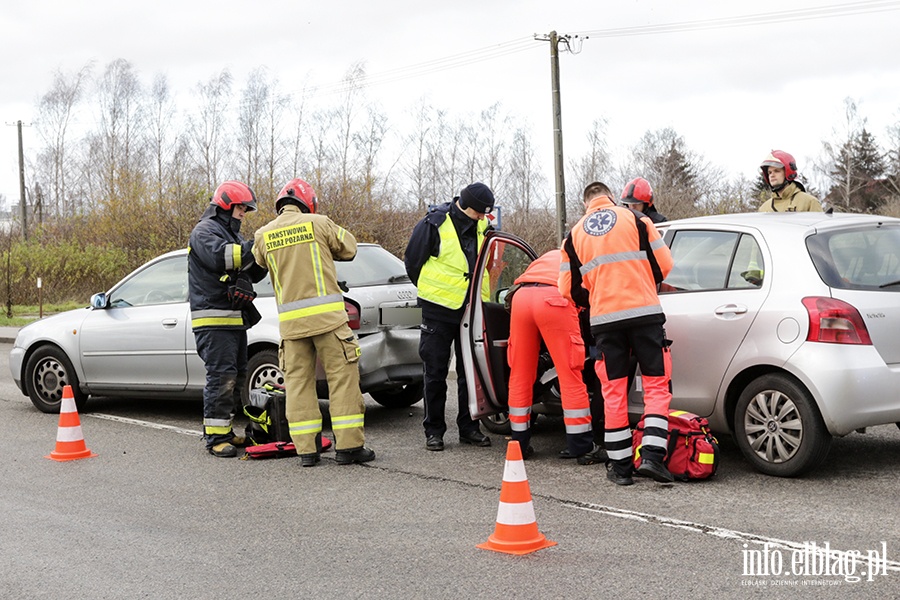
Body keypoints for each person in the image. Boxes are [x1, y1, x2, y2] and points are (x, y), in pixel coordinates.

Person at [252, 178, 375, 467]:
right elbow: (349, 248)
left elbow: (259, 263)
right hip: (329, 322)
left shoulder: (263, 234)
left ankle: (307, 451)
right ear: (308, 203)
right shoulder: (319, 223)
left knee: (297, 384)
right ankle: (349, 448)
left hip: (292, 329)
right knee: (342, 380)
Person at [559, 181, 675, 486]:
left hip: (605, 320)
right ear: (611, 197)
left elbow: (567, 290)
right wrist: (643, 285)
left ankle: (621, 468)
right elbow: (665, 265)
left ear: (586, 204)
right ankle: (651, 455)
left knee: (613, 391)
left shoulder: (573, 236)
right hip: (645, 313)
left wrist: (596, 299)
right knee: (656, 385)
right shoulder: (638, 220)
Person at [404, 182, 495, 452]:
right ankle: (434, 431)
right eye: (480, 212)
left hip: (472, 309)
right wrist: (432, 292)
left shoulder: (482, 226)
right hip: (437, 310)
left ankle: (469, 428)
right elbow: (412, 261)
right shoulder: (433, 224)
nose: (483, 217)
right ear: (466, 206)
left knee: (471, 373)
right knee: (435, 372)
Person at [188, 180, 268, 458]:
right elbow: (223, 258)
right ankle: (215, 437)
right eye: (241, 208)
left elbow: (247, 268)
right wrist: (256, 245)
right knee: (221, 377)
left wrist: (260, 259)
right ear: (225, 205)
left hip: (233, 319)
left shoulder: (228, 233)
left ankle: (227, 430)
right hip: (213, 319)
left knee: (237, 376)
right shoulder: (205, 231)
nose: (244, 213)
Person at [506, 249, 604, 464]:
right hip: (554, 298)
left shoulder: (549, 255)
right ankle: (581, 446)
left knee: (520, 373)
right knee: (570, 373)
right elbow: (592, 296)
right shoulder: (588, 256)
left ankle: (518, 443)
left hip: (521, 298)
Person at [758, 150, 823, 212]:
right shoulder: (764, 209)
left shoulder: (809, 202)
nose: (772, 175)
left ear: (788, 173)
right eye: (769, 172)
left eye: (777, 171)